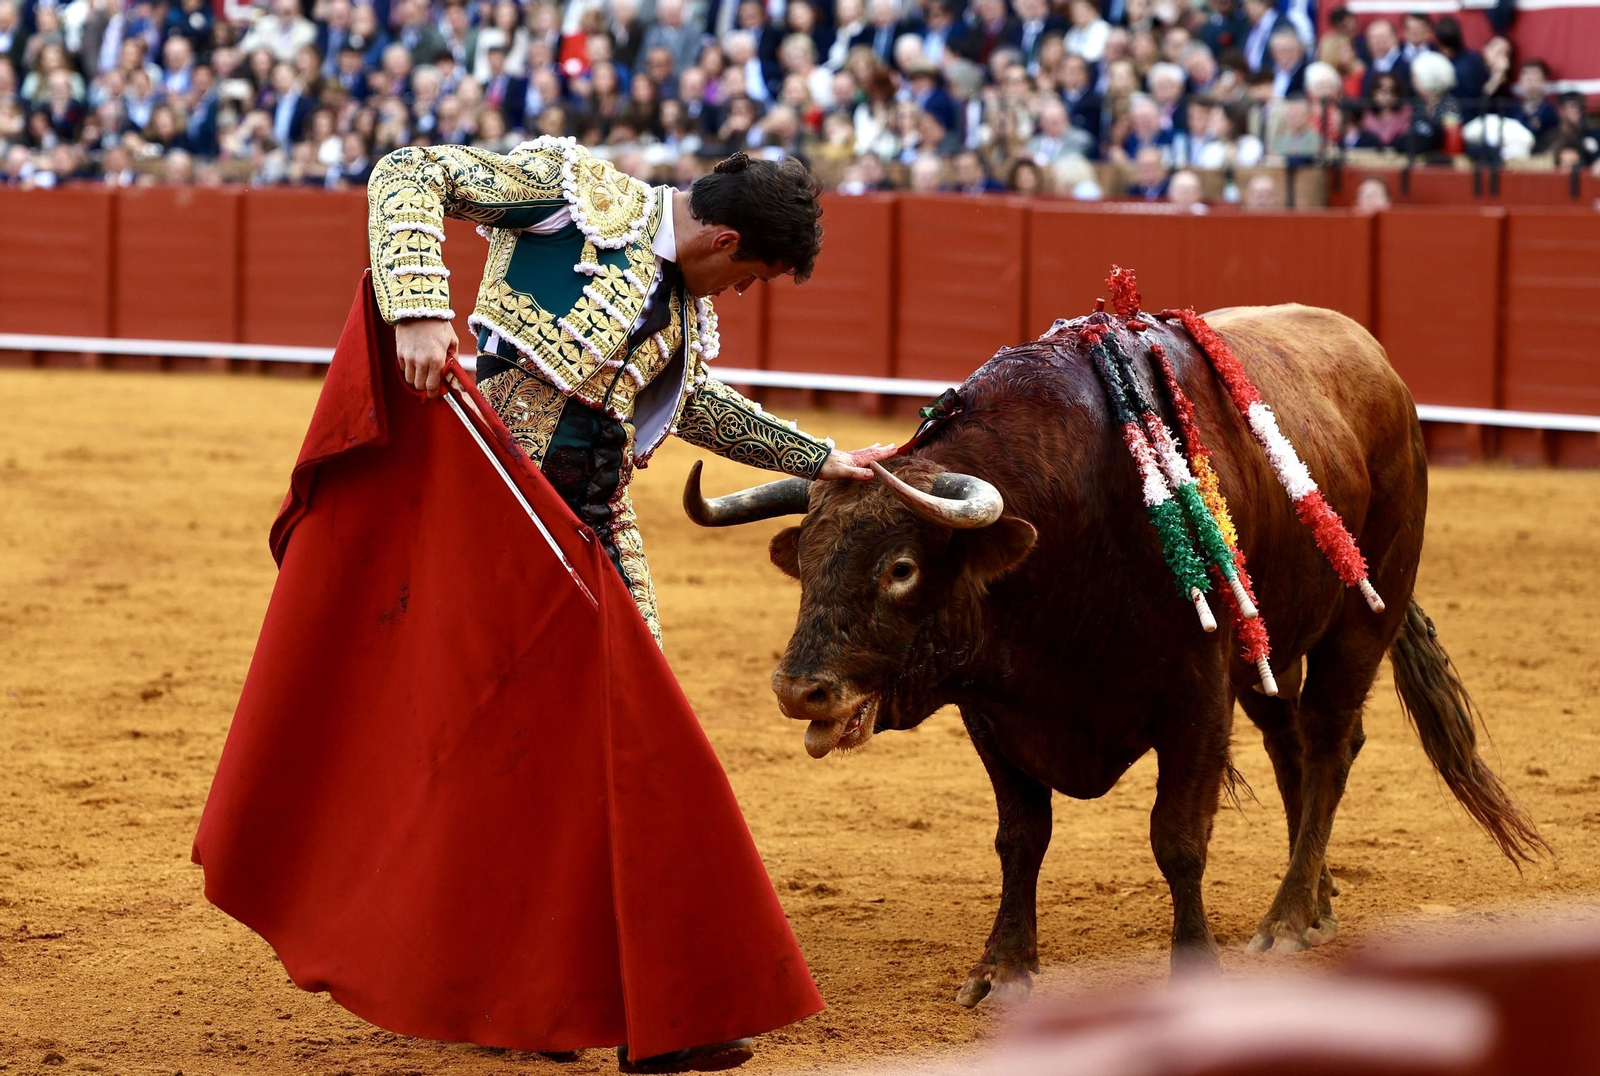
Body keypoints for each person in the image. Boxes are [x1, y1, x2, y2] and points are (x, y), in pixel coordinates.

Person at [370, 143, 893, 646]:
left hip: (598, 519)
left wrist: (820, 459)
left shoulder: (684, 310)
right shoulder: (576, 199)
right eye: (750, 277)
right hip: (497, 501)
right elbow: (409, 171)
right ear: (725, 241)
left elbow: (691, 404)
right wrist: (419, 309)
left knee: (632, 688)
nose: (738, 291)